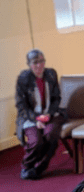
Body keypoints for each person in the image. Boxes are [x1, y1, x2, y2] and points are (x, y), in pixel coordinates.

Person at [15, 49, 66, 180]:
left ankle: (40, 167)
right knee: (36, 141)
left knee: (51, 135)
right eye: (35, 62)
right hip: (30, 118)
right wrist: (36, 119)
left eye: (41, 61)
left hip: (51, 115)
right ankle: (27, 166)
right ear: (29, 64)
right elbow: (22, 106)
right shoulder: (23, 79)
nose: (39, 65)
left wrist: (48, 114)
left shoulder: (51, 74)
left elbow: (56, 98)